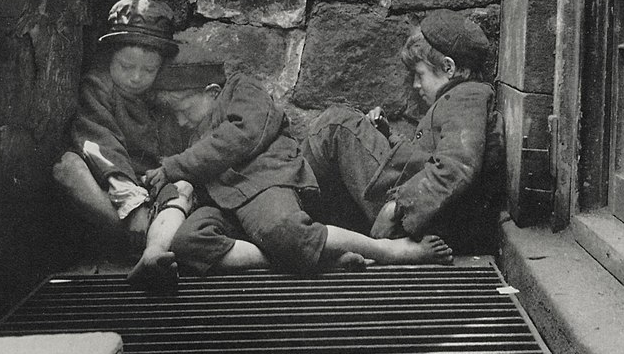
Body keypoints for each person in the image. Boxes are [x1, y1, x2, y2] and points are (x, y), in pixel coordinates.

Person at [148, 46, 455, 277]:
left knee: (284, 230)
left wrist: (176, 166)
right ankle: (318, 257)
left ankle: (390, 250)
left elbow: (244, 134)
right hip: (225, 205)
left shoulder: (241, 89)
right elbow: (180, 184)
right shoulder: (188, 138)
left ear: (212, 92)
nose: (181, 119)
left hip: (262, 181)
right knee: (188, 244)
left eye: (184, 109)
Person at [302, 9, 504, 255]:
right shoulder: (461, 99)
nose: (416, 85)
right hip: (426, 213)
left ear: (449, 67)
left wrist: (397, 207)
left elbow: (457, 167)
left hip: (420, 218)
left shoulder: (467, 97)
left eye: (420, 75)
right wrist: (387, 135)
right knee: (345, 125)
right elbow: (427, 157)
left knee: (337, 126)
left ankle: (291, 221)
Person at [52, 0, 193, 289]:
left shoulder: (161, 101)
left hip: (149, 196)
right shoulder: (98, 86)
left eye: (148, 70)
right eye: (126, 67)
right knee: (67, 167)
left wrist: (156, 192)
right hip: (110, 193)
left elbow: (169, 159)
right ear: (110, 58)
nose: (136, 78)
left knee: (184, 188)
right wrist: (133, 207)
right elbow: (101, 145)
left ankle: (153, 248)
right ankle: (133, 242)